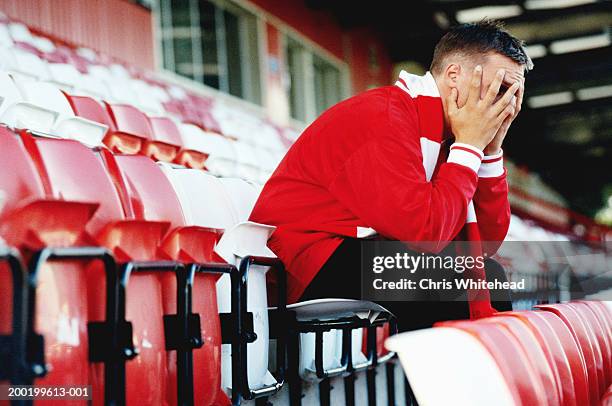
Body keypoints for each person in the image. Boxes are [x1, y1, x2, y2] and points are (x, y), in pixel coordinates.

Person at [250, 20, 533, 330]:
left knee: (485, 273)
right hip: (308, 261)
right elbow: (424, 233)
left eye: (513, 96)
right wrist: (468, 147)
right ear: (454, 76)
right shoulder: (385, 116)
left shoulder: (449, 133)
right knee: (456, 283)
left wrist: (490, 150)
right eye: (499, 88)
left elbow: (485, 243)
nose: (505, 105)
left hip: (358, 252)